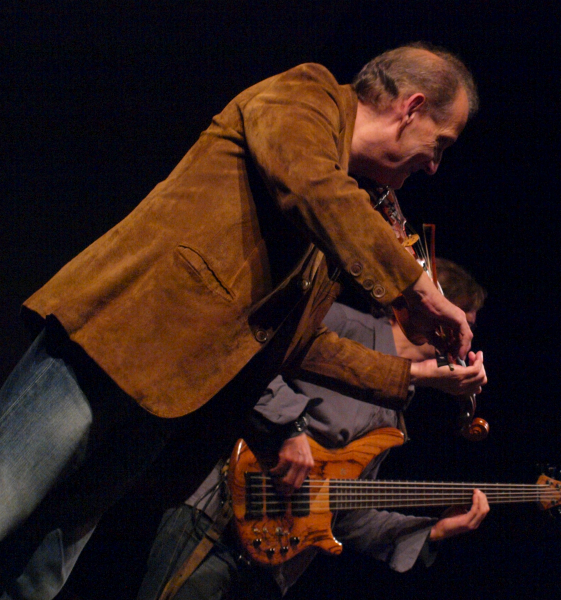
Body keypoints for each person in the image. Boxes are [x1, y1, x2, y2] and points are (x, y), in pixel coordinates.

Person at [0, 44, 482, 598]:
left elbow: (297, 344)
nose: (434, 166)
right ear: (411, 108)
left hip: (171, 397)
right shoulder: (308, 95)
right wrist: (419, 289)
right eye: (440, 144)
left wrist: (417, 376)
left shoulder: (336, 220)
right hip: (115, 342)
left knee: (41, 571)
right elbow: (311, 186)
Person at [136, 262, 489, 600]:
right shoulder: (343, 324)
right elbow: (247, 355)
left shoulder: (394, 414)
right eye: (463, 323)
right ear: (429, 308)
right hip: (217, 524)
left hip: (274, 570)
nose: (467, 341)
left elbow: (344, 514)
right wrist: (291, 428)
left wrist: (433, 531)